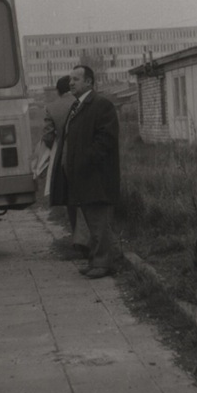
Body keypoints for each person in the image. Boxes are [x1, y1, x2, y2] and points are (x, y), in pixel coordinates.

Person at [49, 65, 121, 279]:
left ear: (89, 82)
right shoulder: (77, 105)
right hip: (82, 176)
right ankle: (95, 261)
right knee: (90, 221)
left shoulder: (101, 105)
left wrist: (84, 161)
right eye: (70, 79)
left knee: (99, 222)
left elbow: (105, 141)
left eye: (76, 79)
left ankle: (103, 263)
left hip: (97, 176)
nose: (71, 83)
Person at [41, 76, 88, 256]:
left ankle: (78, 238)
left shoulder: (52, 107)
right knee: (85, 197)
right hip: (85, 154)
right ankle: (88, 238)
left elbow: (47, 137)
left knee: (70, 198)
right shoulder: (82, 102)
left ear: (58, 90)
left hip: (63, 156)